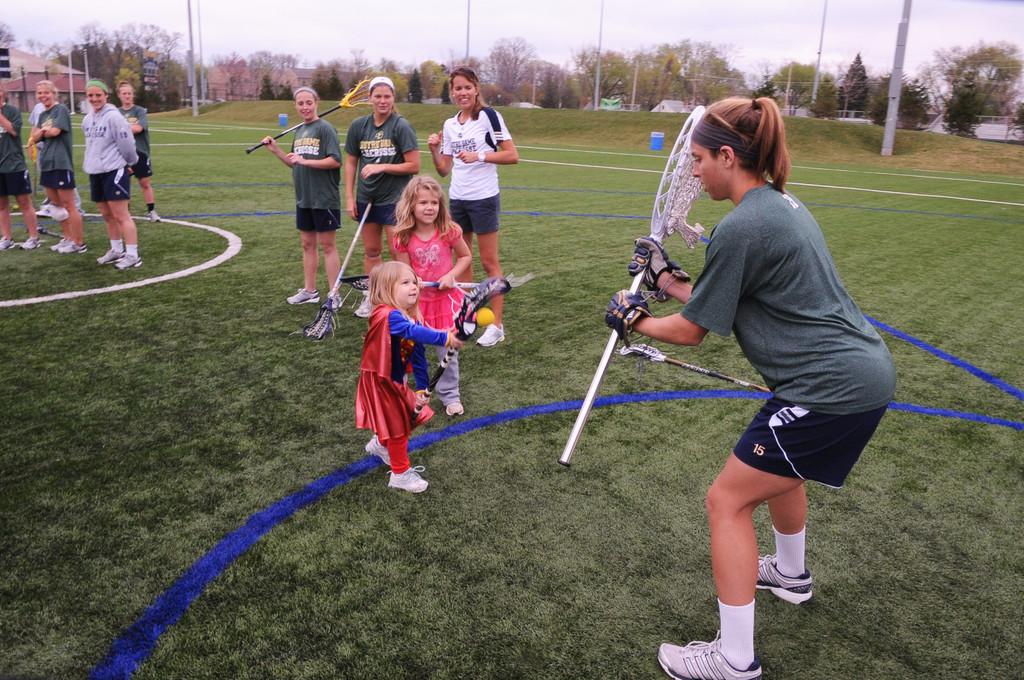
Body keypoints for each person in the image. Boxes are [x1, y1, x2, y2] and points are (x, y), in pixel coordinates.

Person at [604, 97, 896, 680]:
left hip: (829, 387)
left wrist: (633, 319)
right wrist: (667, 279)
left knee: (727, 501)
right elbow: (725, 296)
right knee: (782, 471)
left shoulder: (742, 225)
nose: (693, 173)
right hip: (854, 375)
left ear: (728, 157)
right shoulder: (778, 204)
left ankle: (734, 659)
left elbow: (691, 332)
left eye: (698, 160)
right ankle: (790, 574)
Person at [427, 64, 518, 347]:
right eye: (458, 88)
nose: (463, 92)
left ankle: (497, 325)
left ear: (477, 88)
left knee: (489, 262)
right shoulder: (450, 124)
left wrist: (479, 155)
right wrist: (434, 150)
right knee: (462, 260)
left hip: (484, 198)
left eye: (468, 87)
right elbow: (444, 170)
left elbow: (512, 155)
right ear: (452, 92)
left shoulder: (490, 117)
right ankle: (466, 317)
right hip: (458, 199)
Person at [355, 261, 464, 493]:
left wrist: (422, 388)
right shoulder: (386, 314)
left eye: (414, 282)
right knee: (399, 427)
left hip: (394, 380)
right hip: (382, 381)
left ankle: (380, 444)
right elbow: (414, 333)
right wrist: (445, 337)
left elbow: (418, 353)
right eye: (405, 282)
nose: (414, 286)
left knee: (403, 419)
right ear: (386, 289)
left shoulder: (409, 316)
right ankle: (400, 474)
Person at [391, 176, 473, 416]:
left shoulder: (449, 230)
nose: (429, 208)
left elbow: (465, 256)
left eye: (434, 203)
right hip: (416, 304)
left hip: (444, 303)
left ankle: (451, 396)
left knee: (447, 351)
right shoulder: (403, 236)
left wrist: (451, 275)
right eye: (423, 202)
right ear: (411, 205)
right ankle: (408, 392)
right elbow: (404, 271)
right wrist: (412, 279)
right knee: (408, 349)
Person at [343, 76, 420, 318]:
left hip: (395, 200)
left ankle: (403, 300)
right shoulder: (359, 126)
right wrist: (349, 197)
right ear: (370, 98)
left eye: (387, 96)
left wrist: (382, 166)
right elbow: (351, 162)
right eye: (378, 96)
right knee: (372, 251)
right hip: (367, 198)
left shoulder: (401, 126)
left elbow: (414, 165)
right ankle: (372, 297)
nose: (382, 100)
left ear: (393, 98)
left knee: (397, 252)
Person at [261, 86, 343, 306]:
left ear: (317, 103)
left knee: (328, 246)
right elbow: (295, 163)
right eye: (300, 103)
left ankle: (334, 294)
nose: (305, 107)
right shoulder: (299, 131)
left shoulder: (326, 129)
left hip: (324, 197)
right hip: (304, 197)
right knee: (307, 244)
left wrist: (306, 161)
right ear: (295, 106)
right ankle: (310, 291)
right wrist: (276, 150)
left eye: (309, 102)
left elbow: (335, 161)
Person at [81, 80, 143, 269]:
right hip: (96, 172)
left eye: (98, 95)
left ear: (106, 96)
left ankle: (133, 255)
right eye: (90, 95)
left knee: (121, 215)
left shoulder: (115, 117)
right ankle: (116, 250)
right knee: (107, 215)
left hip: (114, 170)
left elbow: (127, 144)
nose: (94, 99)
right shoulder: (87, 120)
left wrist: (130, 163)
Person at [28, 80, 86, 254]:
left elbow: (55, 131)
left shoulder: (60, 110)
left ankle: (79, 243)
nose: (43, 96)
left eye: (46, 92)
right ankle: (68, 238)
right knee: (56, 205)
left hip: (60, 163)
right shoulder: (42, 115)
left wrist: (41, 132)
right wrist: (42, 132)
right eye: (40, 93)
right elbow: (34, 138)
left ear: (54, 94)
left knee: (69, 205)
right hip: (46, 163)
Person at [0, 81, 42, 251]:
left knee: (24, 202)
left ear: (2, 92)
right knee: (2, 205)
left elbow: (14, 131)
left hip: (14, 164)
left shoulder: (12, 111)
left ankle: (33, 237)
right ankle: (7, 238)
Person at [117, 82, 161, 222]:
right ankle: (126, 212)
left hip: (140, 152)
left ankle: (151, 211)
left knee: (144, 182)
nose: (127, 96)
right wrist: (130, 127)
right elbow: (114, 131)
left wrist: (123, 128)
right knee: (125, 183)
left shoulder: (140, 111)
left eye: (129, 93)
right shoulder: (116, 113)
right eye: (124, 93)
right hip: (122, 154)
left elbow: (139, 128)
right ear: (119, 95)